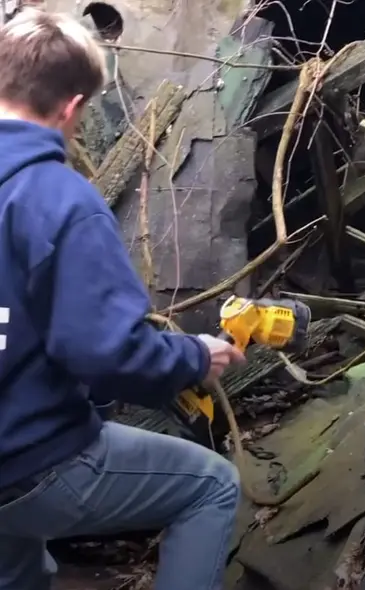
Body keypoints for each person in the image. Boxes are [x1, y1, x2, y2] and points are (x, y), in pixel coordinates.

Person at [0, 8, 247, 590]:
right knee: (212, 485)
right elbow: (106, 353)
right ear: (71, 108)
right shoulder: (60, 199)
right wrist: (193, 357)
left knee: (20, 565)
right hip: (31, 459)